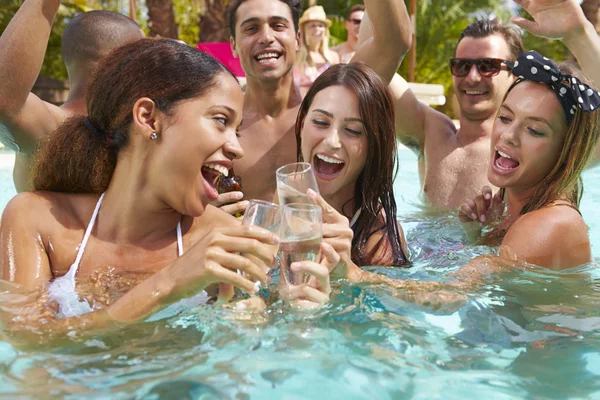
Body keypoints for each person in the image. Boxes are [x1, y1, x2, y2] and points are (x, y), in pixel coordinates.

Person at [0, 39, 337, 342]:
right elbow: (27, 341)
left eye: (237, 129)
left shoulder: (224, 239)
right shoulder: (37, 220)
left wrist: (292, 313)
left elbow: (254, 357)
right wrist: (169, 283)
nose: (237, 148)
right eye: (221, 120)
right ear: (149, 117)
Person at [223, 0, 411, 208]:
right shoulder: (218, 126)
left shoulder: (334, 106)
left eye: (278, 26)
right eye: (251, 28)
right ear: (233, 45)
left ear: (297, 39)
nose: (267, 37)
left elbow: (393, 43)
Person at [0, 1, 145, 192]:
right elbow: (5, 102)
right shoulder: (52, 129)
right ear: (120, 63)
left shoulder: (141, 128)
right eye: (144, 58)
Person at [387, 18, 524, 210]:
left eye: (487, 66)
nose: (472, 77)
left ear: (515, 77)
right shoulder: (430, 133)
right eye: (463, 66)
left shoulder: (523, 151)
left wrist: (578, 34)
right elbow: (377, 69)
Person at [294, 62, 410, 276]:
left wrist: (347, 271)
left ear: (374, 147)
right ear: (302, 124)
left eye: (353, 130)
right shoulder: (286, 194)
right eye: (320, 122)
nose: (332, 141)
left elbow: (415, 298)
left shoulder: (379, 238)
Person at [293, 5, 339, 93]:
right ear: (304, 29)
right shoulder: (296, 55)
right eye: (312, 26)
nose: (317, 29)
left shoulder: (333, 57)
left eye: (321, 25)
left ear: (325, 30)